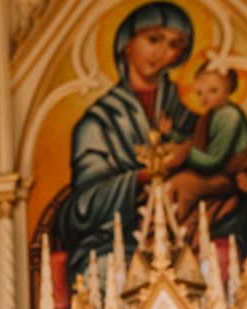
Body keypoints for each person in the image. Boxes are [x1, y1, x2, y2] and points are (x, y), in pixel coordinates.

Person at [56, 2, 196, 283]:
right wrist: (147, 175)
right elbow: (79, 210)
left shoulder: (187, 116)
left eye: (173, 44)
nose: (161, 52)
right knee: (109, 277)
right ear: (126, 45)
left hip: (187, 234)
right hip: (116, 242)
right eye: (153, 38)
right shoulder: (97, 123)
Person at [160, 62, 247, 279]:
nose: (205, 98)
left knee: (180, 186)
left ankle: (174, 245)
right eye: (200, 93)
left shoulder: (228, 116)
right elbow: (199, 146)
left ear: (229, 89)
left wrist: (185, 152)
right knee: (173, 184)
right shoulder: (212, 116)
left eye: (213, 91)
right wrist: (173, 135)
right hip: (225, 174)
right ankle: (174, 244)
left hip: (233, 177)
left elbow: (212, 160)